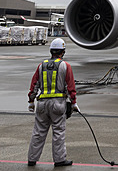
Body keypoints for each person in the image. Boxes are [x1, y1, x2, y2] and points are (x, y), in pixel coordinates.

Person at [27, 38, 79, 167]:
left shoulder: (41, 65)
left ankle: (32, 159)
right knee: (58, 132)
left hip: (42, 104)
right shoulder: (65, 66)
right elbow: (70, 86)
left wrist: (31, 101)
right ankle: (59, 160)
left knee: (38, 132)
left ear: (51, 51)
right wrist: (73, 103)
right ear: (63, 52)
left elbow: (34, 85)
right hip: (57, 104)